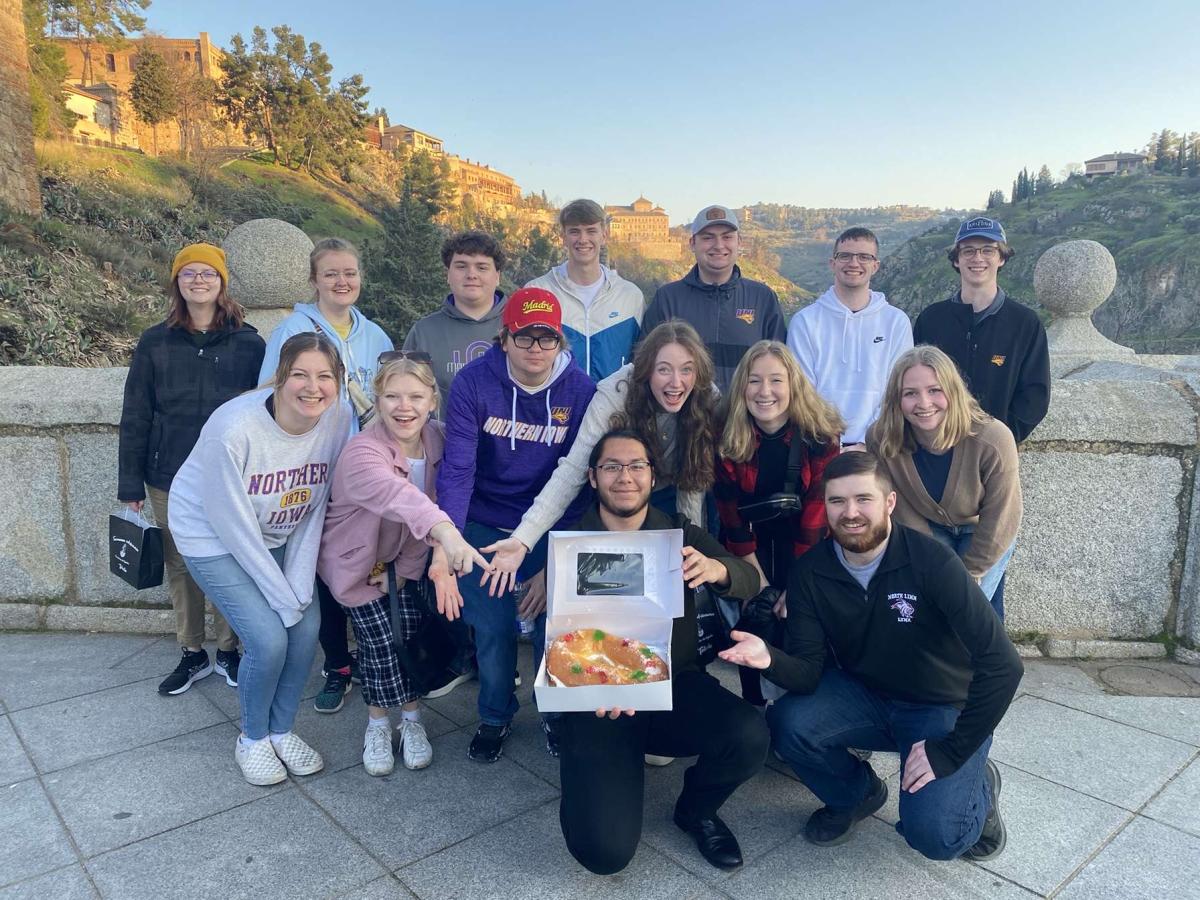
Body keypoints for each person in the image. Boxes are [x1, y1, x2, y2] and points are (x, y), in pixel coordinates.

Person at [720, 452, 1023, 862]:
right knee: (788, 722)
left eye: (863, 499)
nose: (850, 513)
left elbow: (1004, 664)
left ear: (890, 503)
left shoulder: (932, 561)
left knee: (938, 838)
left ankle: (979, 789)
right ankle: (857, 795)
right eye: (837, 502)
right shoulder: (811, 571)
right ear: (823, 507)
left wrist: (952, 751)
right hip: (868, 696)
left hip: (939, 707)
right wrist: (768, 657)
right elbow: (808, 674)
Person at [557, 429, 766, 874]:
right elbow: (558, 639)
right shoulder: (570, 541)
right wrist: (586, 686)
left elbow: (751, 581)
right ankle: (601, 766)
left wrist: (717, 569)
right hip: (599, 697)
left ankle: (697, 810)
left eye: (637, 466)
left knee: (749, 734)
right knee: (604, 853)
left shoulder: (679, 533)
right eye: (612, 466)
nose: (625, 476)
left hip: (675, 684)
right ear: (593, 478)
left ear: (653, 476)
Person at [170, 332, 351, 786]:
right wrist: (280, 595)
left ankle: (281, 730)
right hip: (213, 535)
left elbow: (316, 506)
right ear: (279, 378)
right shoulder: (233, 429)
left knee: (306, 629)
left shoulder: (338, 418)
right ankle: (252, 738)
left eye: (325, 376)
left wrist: (299, 585)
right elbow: (235, 528)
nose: (313, 388)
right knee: (269, 638)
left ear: (340, 382)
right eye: (300, 375)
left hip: (283, 528)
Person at [436, 287, 596, 763]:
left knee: (556, 619)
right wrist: (451, 542)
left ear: (561, 343)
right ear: (504, 338)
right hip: (486, 517)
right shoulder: (473, 383)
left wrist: (552, 562)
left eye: (547, 340)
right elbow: (458, 469)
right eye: (524, 338)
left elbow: (579, 483)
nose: (536, 350)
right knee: (492, 621)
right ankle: (494, 715)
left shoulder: (582, 391)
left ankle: (556, 715)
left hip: (552, 521)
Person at [318, 357, 491, 775]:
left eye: (416, 396)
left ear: (433, 400)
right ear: (377, 400)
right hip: (354, 566)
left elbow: (448, 492)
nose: (404, 407)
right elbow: (402, 498)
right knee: (379, 642)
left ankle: (411, 722)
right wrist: (448, 536)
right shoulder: (362, 452)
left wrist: (415, 566)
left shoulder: (440, 439)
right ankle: (378, 725)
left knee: (407, 636)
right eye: (392, 396)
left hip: (406, 563)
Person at [118, 243, 265, 696]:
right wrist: (130, 482)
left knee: (230, 561)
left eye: (208, 274)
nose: (198, 281)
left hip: (229, 475)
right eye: (189, 274)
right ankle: (191, 651)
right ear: (177, 283)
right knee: (179, 564)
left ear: (222, 283)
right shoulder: (154, 340)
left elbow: (264, 412)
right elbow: (137, 411)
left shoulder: (249, 342)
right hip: (167, 474)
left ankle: (229, 650)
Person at [259, 237, 394, 715]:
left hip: (365, 469)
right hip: (313, 467)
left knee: (365, 561)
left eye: (350, 273)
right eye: (331, 274)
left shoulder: (375, 335)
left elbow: (388, 398)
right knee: (320, 567)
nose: (342, 282)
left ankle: (377, 657)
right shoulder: (292, 330)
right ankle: (337, 664)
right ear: (314, 280)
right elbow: (269, 396)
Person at [481, 320, 717, 590]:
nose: (676, 382)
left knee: (668, 582)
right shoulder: (616, 392)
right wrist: (524, 539)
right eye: (664, 369)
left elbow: (692, 482)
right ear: (647, 370)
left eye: (687, 370)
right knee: (617, 582)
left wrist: (690, 549)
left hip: (667, 495)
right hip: (617, 493)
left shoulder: (706, 396)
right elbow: (572, 470)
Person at [713, 340, 844, 704]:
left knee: (803, 621)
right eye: (754, 381)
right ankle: (755, 703)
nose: (764, 392)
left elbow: (818, 517)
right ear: (742, 387)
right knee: (753, 617)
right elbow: (730, 515)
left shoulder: (820, 436)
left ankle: (807, 708)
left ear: (793, 385)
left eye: (776, 380)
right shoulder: (726, 435)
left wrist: (795, 586)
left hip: (806, 544)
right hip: (750, 545)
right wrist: (755, 582)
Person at [867, 345, 1021, 619]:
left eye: (935, 390)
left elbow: (1002, 514)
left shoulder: (993, 438)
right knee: (934, 603)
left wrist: (972, 571)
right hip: (925, 529)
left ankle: (994, 660)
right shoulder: (882, 439)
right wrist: (932, 563)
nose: (924, 403)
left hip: (983, 529)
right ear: (896, 399)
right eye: (910, 393)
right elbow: (895, 504)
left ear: (953, 391)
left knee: (969, 611)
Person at [913, 216, 1050, 443]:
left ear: (1001, 258)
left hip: (996, 452)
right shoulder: (931, 319)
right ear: (956, 260)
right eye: (968, 251)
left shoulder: (1025, 323)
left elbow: (1035, 395)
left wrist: (1001, 439)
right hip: (936, 446)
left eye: (988, 250)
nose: (978, 258)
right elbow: (913, 383)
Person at [786, 227, 913, 448]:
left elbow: (898, 389)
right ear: (832, 263)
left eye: (864, 256)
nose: (854, 263)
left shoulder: (896, 322)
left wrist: (866, 443)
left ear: (876, 266)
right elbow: (802, 392)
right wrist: (831, 445)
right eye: (845, 255)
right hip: (819, 447)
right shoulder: (804, 322)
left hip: (878, 447)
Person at [638, 204, 785, 394]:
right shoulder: (667, 298)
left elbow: (781, 368)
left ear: (739, 242)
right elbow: (644, 364)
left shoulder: (763, 298)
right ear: (692, 243)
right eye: (708, 237)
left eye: (727, 237)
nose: (718, 245)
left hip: (744, 420)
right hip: (684, 420)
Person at [525, 198, 644, 381]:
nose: (583, 240)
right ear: (563, 237)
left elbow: (642, 361)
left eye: (591, 231)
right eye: (574, 232)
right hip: (555, 409)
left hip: (615, 408)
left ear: (604, 235)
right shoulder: (537, 292)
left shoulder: (630, 296)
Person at [403, 230, 508, 415]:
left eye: (482, 267)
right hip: (440, 442)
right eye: (461, 266)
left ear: (497, 276)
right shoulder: (424, 332)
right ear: (448, 274)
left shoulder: (519, 328)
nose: (471, 275)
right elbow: (405, 398)